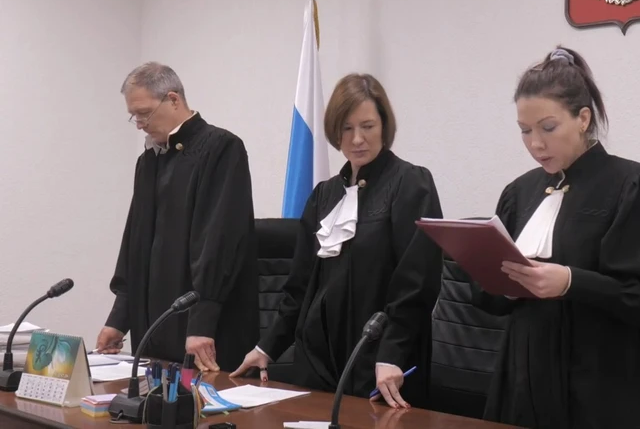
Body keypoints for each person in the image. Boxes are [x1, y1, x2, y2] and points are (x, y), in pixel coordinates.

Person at [472, 46, 640, 429]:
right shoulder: (519, 192)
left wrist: (569, 282)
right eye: (525, 131)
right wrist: (506, 285)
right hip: (523, 380)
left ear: (583, 118)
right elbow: (489, 299)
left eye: (548, 128)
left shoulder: (633, 185)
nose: (535, 144)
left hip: (602, 388)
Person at [230, 73, 444, 410]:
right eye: (346, 128)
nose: (357, 139)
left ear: (384, 126)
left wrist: (392, 353)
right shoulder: (324, 195)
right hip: (318, 361)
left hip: (381, 363)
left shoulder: (411, 183)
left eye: (368, 126)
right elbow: (300, 286)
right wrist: (267, 347)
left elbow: (416, 284)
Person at [97, 62, 260, 373]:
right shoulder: (149, 161)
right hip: (154, 328)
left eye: (144, 113)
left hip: (205, 333)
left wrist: (201, 322)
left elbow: (219, 242)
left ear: (173, 99)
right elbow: (135, 245)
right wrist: (119, 319)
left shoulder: (221, 148)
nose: (139, 124)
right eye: (134, 116)